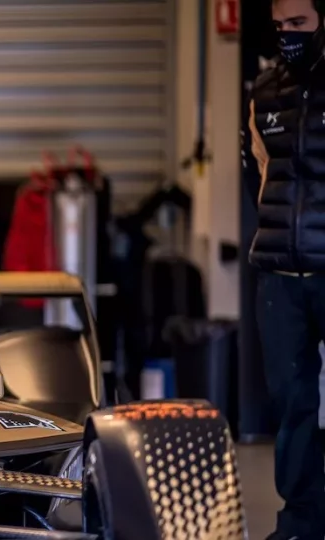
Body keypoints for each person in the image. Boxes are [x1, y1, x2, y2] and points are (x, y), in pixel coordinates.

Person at [247, 0, 325, 538]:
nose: (287, 35)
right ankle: (301, 522)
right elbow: (260, 171)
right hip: (279, 274)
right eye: (280, 26)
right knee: (292, 405)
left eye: (299, 24)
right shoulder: (265, 90)